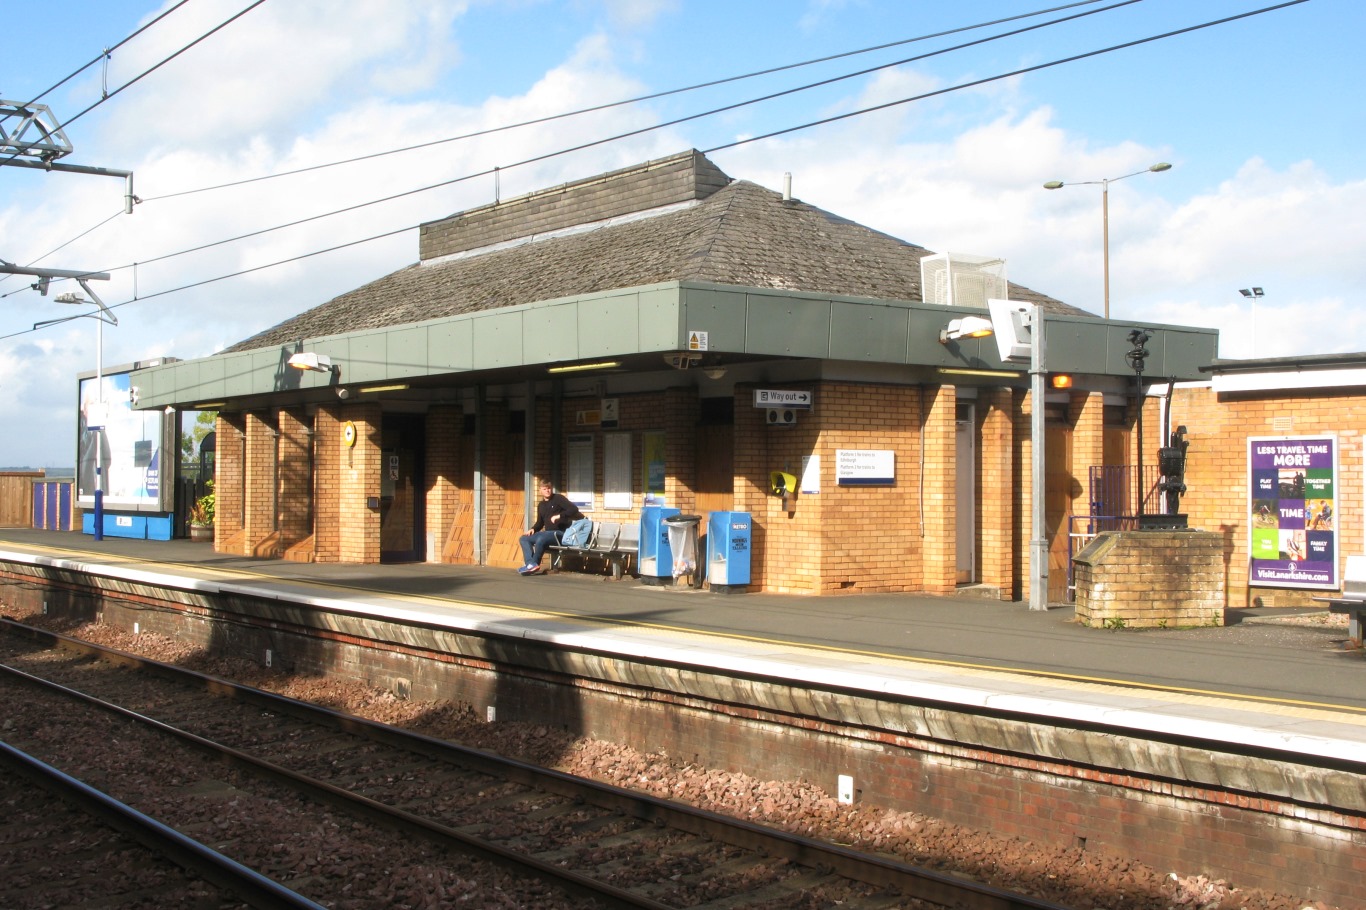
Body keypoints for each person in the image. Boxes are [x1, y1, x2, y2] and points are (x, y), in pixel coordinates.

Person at [518, 481, 583, 575]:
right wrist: (533, 529)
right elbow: (540, 523)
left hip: (560, 533)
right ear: (540, 490)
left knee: (542, 538)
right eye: (545, 489)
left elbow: (573, 509)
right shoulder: (541, 505)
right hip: (547, 534)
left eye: (549, 488)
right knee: (524, 538)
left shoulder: (558, 499)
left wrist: (559, 516)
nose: (547, 491)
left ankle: (534, 564)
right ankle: (530, 564)